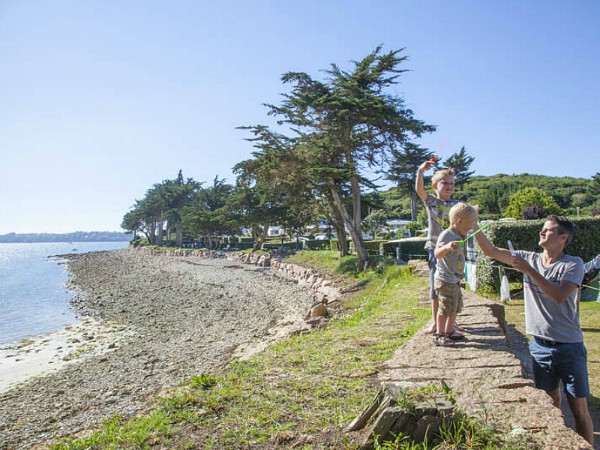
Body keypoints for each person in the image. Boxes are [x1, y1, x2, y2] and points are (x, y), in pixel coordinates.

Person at [474, 215, 594, 445]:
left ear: (563, 238)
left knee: (579, 410)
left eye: (548, 231)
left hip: (569, 347)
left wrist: (529, 271)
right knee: (550, 406)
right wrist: (473, 226)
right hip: (539, 346)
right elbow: (490, 250)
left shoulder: (572, 264)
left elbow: (559, 296)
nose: (541, 233)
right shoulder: (529, 258)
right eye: (542, 229)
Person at [416, 161, 460, 334]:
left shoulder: (457, 205)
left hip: (454, 253)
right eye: (444, 183)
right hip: (435, 250)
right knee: (436, 287)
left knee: (454, 287)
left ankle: (451, 323)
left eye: (451, 183)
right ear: (435, 186)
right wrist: (420, 171)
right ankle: (435, 322)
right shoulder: (432, 201)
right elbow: (420, 190)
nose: (449, 186)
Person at [432, 202, 478, 346]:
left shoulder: (459, 235)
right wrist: (447, 246)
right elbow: (437, 254)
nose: (471, 228)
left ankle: (450, 330)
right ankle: (439, 334)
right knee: (445, 307)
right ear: (458, 222)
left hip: (455, 279)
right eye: (469, 225)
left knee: (454, 306)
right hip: (445, 280)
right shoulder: (447, 235)